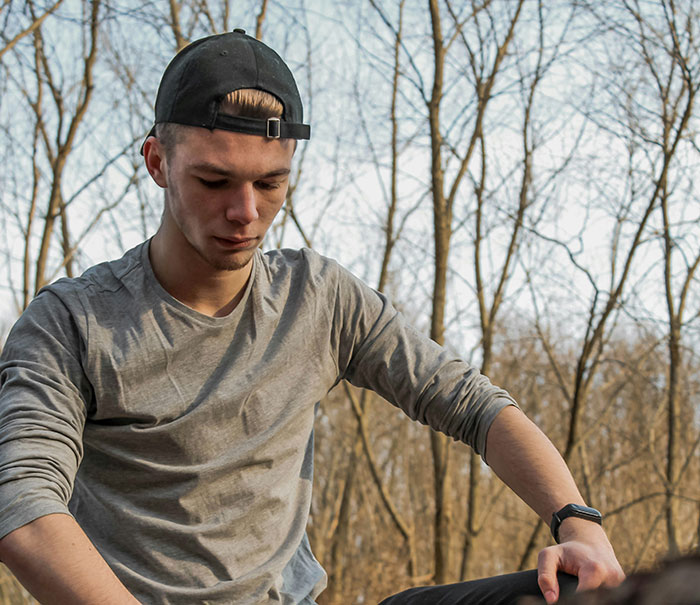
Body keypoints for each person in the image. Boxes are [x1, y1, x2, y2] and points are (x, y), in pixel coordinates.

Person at [0, 29, 624, 605]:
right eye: (215, 181)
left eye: (271, 184)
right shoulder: (70, 323)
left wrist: (578, 519)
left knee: (576, 594)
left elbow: (471, 403)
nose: (246, 212)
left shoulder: (317, 298)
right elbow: (22, 501)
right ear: (158, 162)